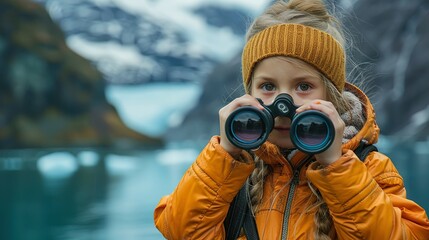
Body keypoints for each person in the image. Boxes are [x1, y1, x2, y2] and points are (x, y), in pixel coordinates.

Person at [154, 0, 429, 239]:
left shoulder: (369, 167)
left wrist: (337, 167)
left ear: (332, 94)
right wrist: (224, 154)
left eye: (304, 87)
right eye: (268, 87)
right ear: (249, 94)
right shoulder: (231, 173)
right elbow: (180, 230)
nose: (283, 106)